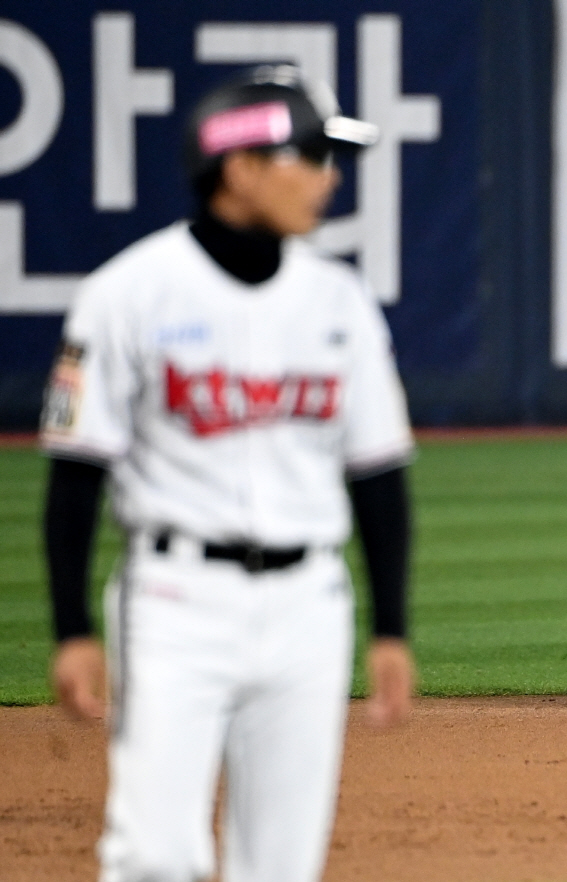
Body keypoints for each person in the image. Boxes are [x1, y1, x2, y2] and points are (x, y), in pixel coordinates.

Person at [40, 66, 415, 882]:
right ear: (240, 168)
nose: (328, 176)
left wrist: (391, 627)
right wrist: (72, 629)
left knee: (281, 865)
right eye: (309, 154)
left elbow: (378, 474)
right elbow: (76, 476)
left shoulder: (339, 300)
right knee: (155, 854)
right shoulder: (126, 295)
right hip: (175, 602)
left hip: (310, 608)